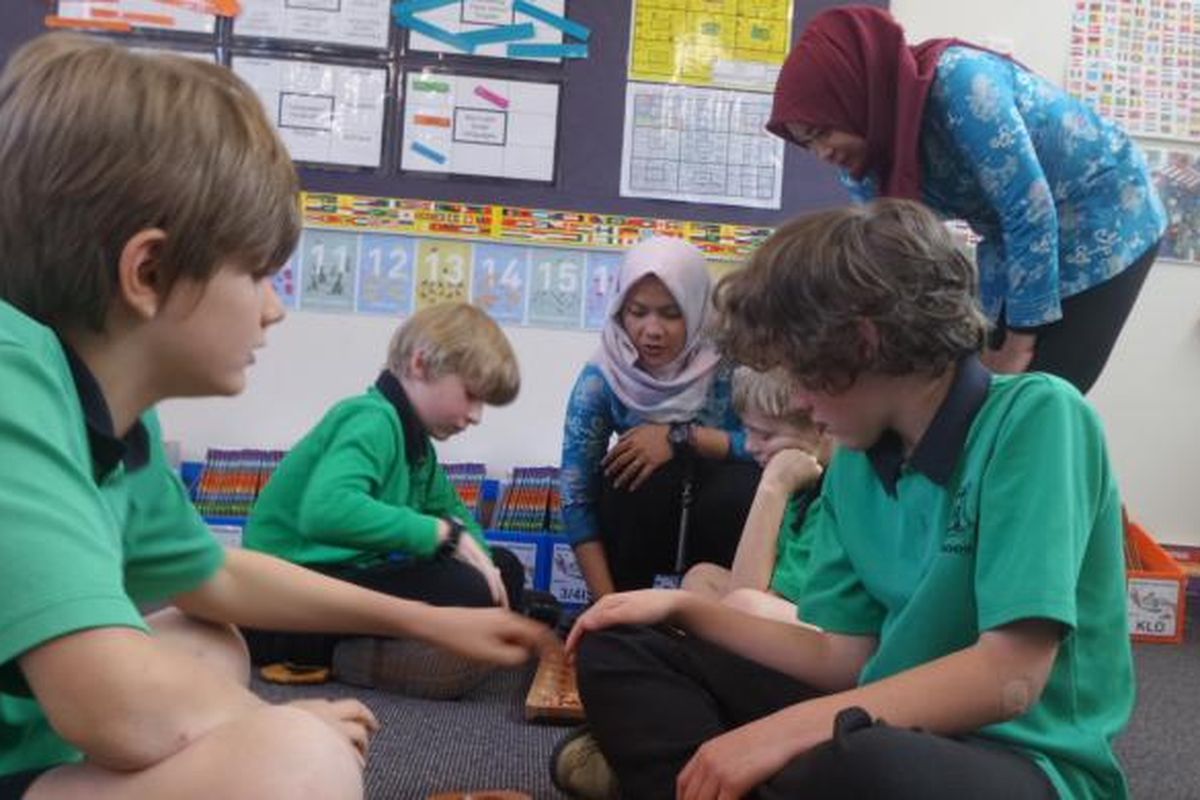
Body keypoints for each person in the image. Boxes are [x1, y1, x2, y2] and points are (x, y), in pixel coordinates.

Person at [0, 34, 547, 800]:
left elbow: (210, 575)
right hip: (51, 733)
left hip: (38, 730)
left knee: (210, 644)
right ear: (149, 273)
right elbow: (112, 706)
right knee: (299, 761)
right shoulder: (11, 385)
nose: (274, 307)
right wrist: (268, 724)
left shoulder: (119, 414)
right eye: (256, 273)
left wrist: (433, 622)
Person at [557, 200, 1133, 800]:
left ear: (860, 343)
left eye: (800, 372)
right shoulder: (857, 458)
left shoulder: (1038, 415)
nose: (800, 401)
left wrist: (781, 733)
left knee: (865, 764)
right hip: (873, 714)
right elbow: (841, 655)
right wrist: (681, 611)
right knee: (620, 649)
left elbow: (1010, 678)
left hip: (1019, 757)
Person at [766, 5, 1166, 394]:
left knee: (1038, 390)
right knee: (976, 381)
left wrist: (1017, 345)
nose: (822, 152)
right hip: (1008, 236)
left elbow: (1029, 207)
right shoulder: (864, 156)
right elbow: (889, 262)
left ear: (851, 94)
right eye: (807, 143)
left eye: (822, 132)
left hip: (1105, 211)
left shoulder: (961, 81)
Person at [242, 302, 528, 675]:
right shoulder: (370, 418)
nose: (476, 416)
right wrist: (440, 535)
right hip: (284, 594)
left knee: (502, 568)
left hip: (345, 575)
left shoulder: (418, 445)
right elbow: (325, 511)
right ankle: (340, 654)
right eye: (471, 395)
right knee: (467, 589)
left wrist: (485, 565)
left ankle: (440, 647)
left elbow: (455, 515)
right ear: (420, 364)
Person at [559, 236, 760, 598]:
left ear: (697, 309)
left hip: (726, 552)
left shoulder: (735, 363)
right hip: (642, 541)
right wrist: (609, 608)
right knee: (623, 475)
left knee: (745, 486)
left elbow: (782, 451)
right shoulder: (601, 378)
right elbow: (577, 498)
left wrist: (680, 438)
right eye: (637, 312)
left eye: (671, 313)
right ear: (620, 310)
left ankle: (726, 626)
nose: (652, 330)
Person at [680, 366, 829, 627]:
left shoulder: (828, 497)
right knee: (701, 577)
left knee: (744, 605)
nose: (749, 446)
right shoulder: (805, 482)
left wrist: (772, 489)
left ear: (819, 427)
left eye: (766, 435)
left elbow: (746, 597)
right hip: (789, 608)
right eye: (747, 431)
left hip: (832, 631)